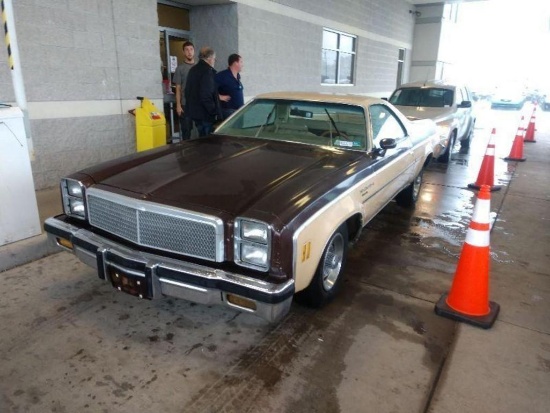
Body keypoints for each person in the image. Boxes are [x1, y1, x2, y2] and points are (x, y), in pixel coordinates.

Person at [185, 46, 223, 137]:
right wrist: (214, 112)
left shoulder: (193, 70)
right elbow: (206, 95)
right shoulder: (207, 72)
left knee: (201, 140)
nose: (214, 61)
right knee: (208, 143)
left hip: (196, 114)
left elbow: (187, 91)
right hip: (206, 115)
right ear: (209, 58)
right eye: (214, 59)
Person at [172, 41, 195, 140]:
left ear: (194, 51)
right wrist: (178, 105)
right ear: (183, 52)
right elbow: (178, 88)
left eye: (191, 49)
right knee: (186, 131)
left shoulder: (199, 67)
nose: (189, 52)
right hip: (185, 105)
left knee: (201, 130)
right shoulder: (180, 69)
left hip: (198, 104)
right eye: (186, 50)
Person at [215, 54, 244, 119]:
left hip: (239, 112)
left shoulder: (238, 76)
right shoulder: (222, 76)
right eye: (241, 62)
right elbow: (209, 89)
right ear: (235, 63)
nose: (243, 65)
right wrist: (219, 96)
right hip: (228, 112)